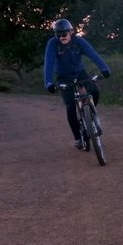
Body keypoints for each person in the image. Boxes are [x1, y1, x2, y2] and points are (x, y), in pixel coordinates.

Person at [43, 19, 111, 149]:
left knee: (95, 92)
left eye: (64, 34)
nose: (62, 37)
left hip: (80, 73)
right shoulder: (52, 44)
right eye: (58, 34)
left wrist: (104, 69)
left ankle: (89, 114)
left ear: (71, 32)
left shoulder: (78, 41)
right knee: (70, 107)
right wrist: (48, 82)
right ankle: (78, 138)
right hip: (63, 77)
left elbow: (93, 54)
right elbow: (49, 63)